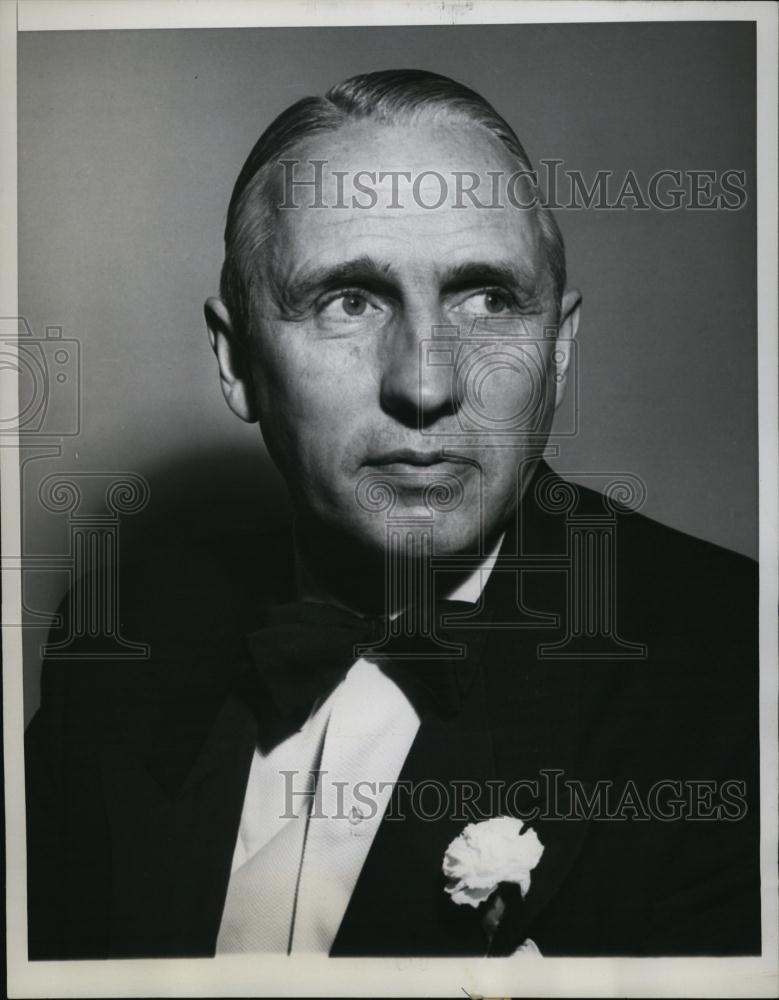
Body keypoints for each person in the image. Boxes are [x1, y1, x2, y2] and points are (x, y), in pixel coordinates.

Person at [25, 69, 760, 959]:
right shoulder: (119, 642)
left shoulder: (735, 671)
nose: (425, 382)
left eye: (488, 299)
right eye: (349, 301)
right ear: (236, 361)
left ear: (558, 348)